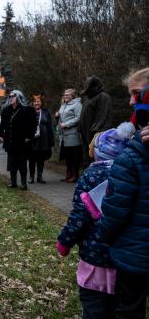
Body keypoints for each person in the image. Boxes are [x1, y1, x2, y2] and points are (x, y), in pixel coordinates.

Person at [56, 122, 135, 319]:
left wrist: (64, 242)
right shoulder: (134, 174)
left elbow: (79, 216)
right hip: (126, 259)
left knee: (94, 308)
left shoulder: (91, 175)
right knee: (120, 308)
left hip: (95, 259)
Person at [93, 68, 149, 318]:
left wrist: (103, 236)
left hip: (134, 258)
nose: (130, 102)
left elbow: (115, 209)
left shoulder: (133, 154)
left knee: (128, 310)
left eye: (136, 94)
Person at [0, 90, 37, 190]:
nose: (11, 98)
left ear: (18, 97)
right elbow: (2, 124)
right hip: (10, 141)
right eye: (10, 97)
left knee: (22, 164)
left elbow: (33, 125)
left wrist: (29, 136)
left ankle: (24, 183)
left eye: (13, 96)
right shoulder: (6, 110)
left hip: (21, 142)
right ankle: (13, 182)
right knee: (12, 163)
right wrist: (1, 134)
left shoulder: (26, 110)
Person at [79, 76, 113, 164]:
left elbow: (104, 117)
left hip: (96, 136)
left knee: (96, 161)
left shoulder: (103, 97)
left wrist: (96, 131)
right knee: (89, 159)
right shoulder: (88, 98)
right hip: (86, 134)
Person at [56, 89, 83, 182]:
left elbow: (79, 118)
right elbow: (61, 118)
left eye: (68, 95)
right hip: (64, 135)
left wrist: (67, 124)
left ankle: (75, 175)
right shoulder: (63, 105)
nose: (65, 96)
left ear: (73, 96)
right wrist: (57, 116)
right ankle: (68, 174)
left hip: (73, 135)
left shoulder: (77, 104)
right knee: (68, 156)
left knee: (74, 156)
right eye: (64, 95)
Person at [28, 93, 54, 184]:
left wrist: (51, 140)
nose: (36, 103)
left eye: (38, 101)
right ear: (32, 103)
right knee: (31, 159)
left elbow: (50, 126)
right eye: (35, 102)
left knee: (41, 159)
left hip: (43, 139)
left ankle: (40, 177)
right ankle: (31, 177)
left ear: (41, 103)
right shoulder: (29, 112)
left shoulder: (46, 112)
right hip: (32, 140)